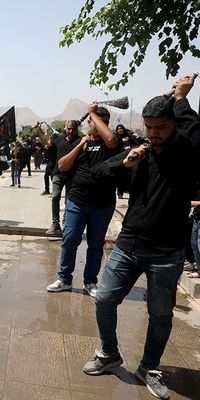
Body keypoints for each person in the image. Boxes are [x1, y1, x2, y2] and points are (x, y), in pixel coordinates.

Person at [82, 75, 200, 400]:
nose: (153, 133)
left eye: (160, 127)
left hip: (167, 251)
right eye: (148, 127)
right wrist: (125, 162)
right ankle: (109, 352)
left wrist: (181, 97)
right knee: (104, 298)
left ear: (173, 123)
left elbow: (194, 128)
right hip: (129, 243)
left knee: (160, 314)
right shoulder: (143, 150)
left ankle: (150, 367)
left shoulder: (188, 151)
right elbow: (97, 172)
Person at [46, 103, 120, 298]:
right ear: (89, 123)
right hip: (77, 201)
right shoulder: (81, 142)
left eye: (104, 122)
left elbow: (111, 138)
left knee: (95, 244)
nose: (98, 124)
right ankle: (64, 279)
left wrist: (93, 112)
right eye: (96, 121)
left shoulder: (111, 143)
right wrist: (80, 145)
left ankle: (90, 281)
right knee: (69, 240)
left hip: (102, 204)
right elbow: (62, 166)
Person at [37, 120, 82, 235]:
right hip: (58, 174)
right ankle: (55, 223)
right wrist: (38, 130)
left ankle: (66, 223)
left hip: (72, 176)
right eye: (69, 129)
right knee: (55, 197)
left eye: (73, 129)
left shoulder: (81, 141)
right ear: (65, 128)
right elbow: (46, 141)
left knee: (69, 201)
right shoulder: (59, 139)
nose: (71, 131)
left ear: (77, 129)